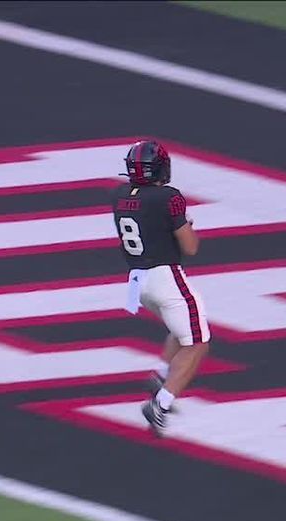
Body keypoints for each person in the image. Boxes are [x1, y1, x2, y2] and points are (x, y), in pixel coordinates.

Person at [110, 139, 210, 436]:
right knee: (198, 342)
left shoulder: (119, 195)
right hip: (165, 277)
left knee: (180, 328)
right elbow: (190, 247)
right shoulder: (168, 197)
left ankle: (162, 376)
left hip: (137, 281)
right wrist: (186, 224)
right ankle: (161, 404)